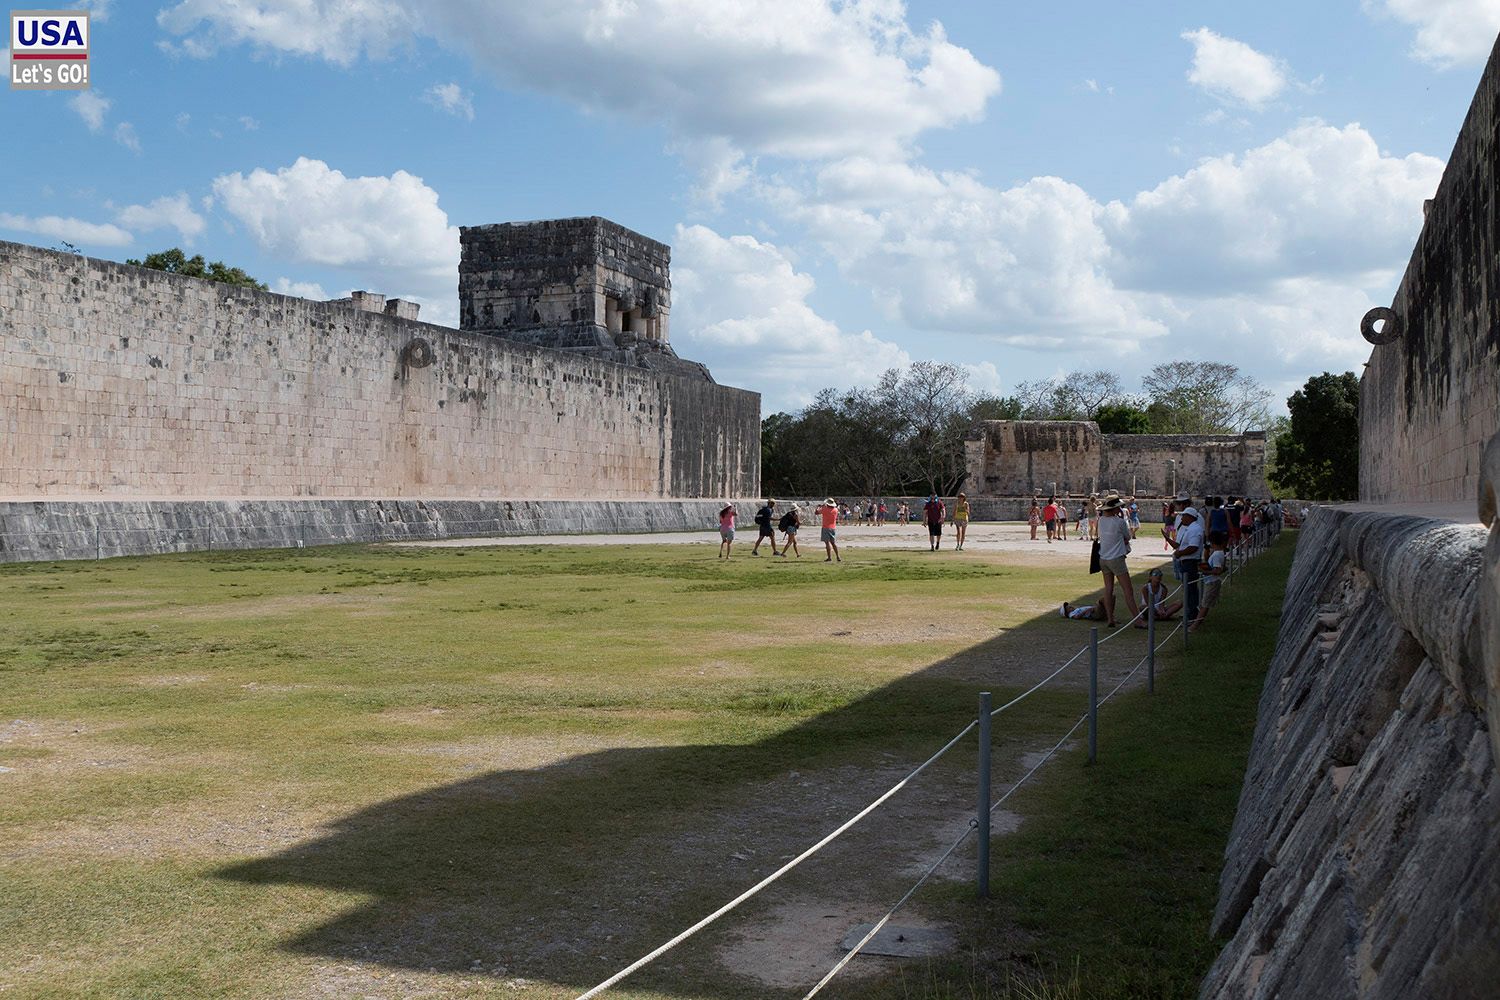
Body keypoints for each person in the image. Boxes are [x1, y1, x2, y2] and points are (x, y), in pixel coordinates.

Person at [1096, 495, 1140, 627]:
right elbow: (1128, 536)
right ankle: (1137, 620)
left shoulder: (1101, 520)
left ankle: (1110, 618)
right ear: (1115, 509)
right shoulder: (1120, 522)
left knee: (1108, 589)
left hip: (1103, 558)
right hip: (1116, 558)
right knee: (1128, 590)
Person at [1170, 506, 1205, 625]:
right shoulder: (1191, 529)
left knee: (1190, 590)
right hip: (1187, 562)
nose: (1181, 519)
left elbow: (1193, 547)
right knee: (1189, 590)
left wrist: (1180, 553)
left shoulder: (1194, 530)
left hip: (1190, 562)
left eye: (1183, 516)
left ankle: (1192, 616)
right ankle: (1191, 614)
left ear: (1189, 517)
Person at [1191, 537, 1228, 631]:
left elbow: (1217, 570)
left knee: (1205, 604)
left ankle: (1194, 625)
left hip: (1212, 582)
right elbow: (1223, 568)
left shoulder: (1216, 555)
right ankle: (1196, 622)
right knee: (1205, 603)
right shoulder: (1219, 553)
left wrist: (1204, 571)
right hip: (1211, 581)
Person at [819, 497, 842, 562]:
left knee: (827, 543)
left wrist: (820, 507)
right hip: (833, 527)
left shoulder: (825, 509)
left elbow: (816, 512)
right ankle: (838, 556)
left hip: (826, 527)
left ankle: (829, 557)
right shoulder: (835, 510)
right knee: (833, 543)